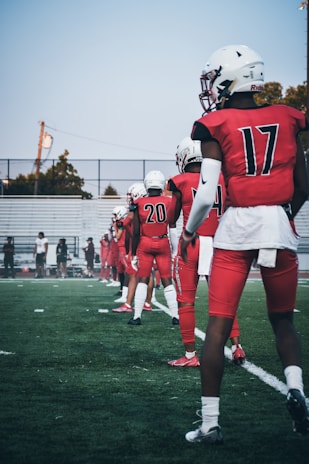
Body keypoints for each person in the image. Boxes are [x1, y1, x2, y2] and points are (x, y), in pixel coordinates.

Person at [180, 45, 309, 443]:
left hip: (236, 227)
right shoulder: (289, 117)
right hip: (277, 224)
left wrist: (188, 233)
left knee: (218, 328)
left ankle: (210, 424)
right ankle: (296, 389)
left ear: (226, 76)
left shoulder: (215, 123)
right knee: (283, 320)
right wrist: (285, 213)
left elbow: (205, 196)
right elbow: (303, 186)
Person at [167, 137, 245, 367]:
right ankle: (237, 346)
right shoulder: (223, 178)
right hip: (221, 243)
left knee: (186, 302)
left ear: (183, 156)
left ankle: (190, 355)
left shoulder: (179, 181)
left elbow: (172, 217)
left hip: (192, 243)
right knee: (226, 300)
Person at [128, 170, 179, 325]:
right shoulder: (169, 201)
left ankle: (137, 316)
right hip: (163, 242)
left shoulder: (138, 203)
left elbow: (136, 232)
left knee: (142, 279)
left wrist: (134, 253)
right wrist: (175, 250)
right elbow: (172, 226)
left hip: (145, 242)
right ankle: (175, 316)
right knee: (166, 280)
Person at [112, 183, 155, 313]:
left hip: (141, 243)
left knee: (135, 275)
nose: (130, 198)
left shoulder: (137, 208)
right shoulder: (146, 206)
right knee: (144, 274)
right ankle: (144, 302)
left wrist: (120, 222)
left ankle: (130, 303)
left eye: (131, 195)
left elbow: (128, 224)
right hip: (143, 242)